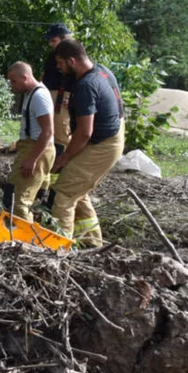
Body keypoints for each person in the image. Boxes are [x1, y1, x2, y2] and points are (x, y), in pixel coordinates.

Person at [50, 39, 125, 245]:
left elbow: (84, 132)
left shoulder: (86, 85)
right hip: (112, 136)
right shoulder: (102, 71)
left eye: (60, 63)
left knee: (64, 193)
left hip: (103, 144)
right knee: (77, 189)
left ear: (72, 61)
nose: (58, 67)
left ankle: (58, 248)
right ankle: (92, 242)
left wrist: (64, 158)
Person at [5, 62, 55, 220]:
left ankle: (24, 241)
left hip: (38, 150)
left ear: (25, 77)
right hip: (30, 147)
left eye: (14, 81)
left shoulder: (39, 96)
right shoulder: (29, 93)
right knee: (11, 194)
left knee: (20, 203)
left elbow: (47, 132)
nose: (11, 85)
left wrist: (32, 159)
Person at [42, 23, 75, 152]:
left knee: (61, 135)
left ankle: (60, 165)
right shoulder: (52, 56)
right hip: (48, 95)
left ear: (64, 39)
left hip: (64, 99)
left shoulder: (74, 56)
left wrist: (73, 98)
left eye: (53, 40)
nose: (51, 44)